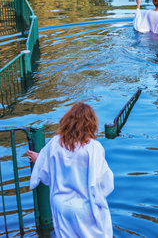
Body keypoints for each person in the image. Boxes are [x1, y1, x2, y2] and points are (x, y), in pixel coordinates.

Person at [27, 102, 114, 238]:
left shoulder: (55, 143)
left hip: (60, 205)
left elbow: (45, 169)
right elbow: (104, 181)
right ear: (91, 123)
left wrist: (39, 158)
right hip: (85, 206)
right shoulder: (93, 148)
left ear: (67, 120)